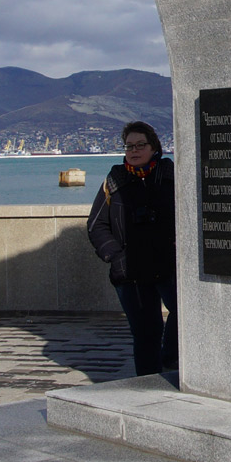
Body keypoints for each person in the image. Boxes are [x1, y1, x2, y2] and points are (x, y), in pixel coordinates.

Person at [86, 121, 178, 376]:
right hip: (130, 272)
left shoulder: (170, 175)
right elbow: (96, 225)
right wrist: (115, 257)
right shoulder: (115, 180)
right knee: (146, 332)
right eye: (129, 146)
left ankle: (171, 360)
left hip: (168, 265)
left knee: (185, 314)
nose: (134, 151)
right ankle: (147, 384)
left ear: (154, 147)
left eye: (140, 145)